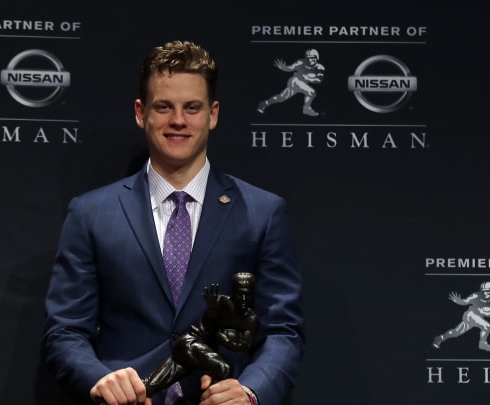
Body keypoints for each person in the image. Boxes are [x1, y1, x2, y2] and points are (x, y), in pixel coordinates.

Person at [42, 40, 304, 405]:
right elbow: (65, 331)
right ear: (140, 112)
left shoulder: (263, 212)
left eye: (192, 108)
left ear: (212, 114)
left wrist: (250, 391)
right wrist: (99, 378)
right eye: (164, 106)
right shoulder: (92, 214)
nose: (178, 120)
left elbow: (283, 330)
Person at [432, 281, 490, 352]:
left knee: (456, 332)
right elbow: (465, 301)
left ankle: (440, 338)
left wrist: (484, 312)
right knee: (487, 326)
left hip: (478, 319)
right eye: (483, 291)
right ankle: (482, 343)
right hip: (470, 315)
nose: (485, 293)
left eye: (487, 291)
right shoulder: (476, 295)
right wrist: (458, 301)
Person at [256, 49, 324, 116]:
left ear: (317, 57)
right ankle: (306, 109)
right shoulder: (301, 62)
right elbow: (290, 68)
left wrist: (308, 78)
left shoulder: (320, 68)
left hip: (303, 84)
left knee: (281, 98)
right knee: (311, 92)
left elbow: (319, 80)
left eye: (312, 58)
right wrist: (284, 67)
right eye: (309, 58)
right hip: (295, 81)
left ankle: (265, 103)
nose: (310, 60)